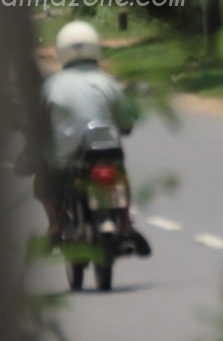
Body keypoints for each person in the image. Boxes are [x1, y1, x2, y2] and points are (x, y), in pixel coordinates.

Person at [36, 21, 150, 255]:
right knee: (120, 175)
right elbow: (125, 122)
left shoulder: (52, 86)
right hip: (106, 152)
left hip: (66, 156)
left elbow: (40, 122)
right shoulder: (108, 83)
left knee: (44, 177)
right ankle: (126, 224)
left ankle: (56, 226)